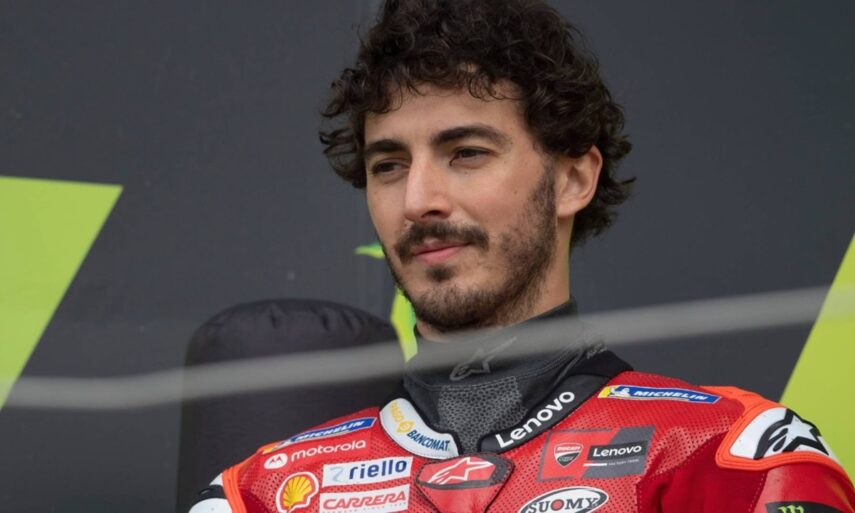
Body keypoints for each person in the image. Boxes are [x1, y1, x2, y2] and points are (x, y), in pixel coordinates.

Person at [189, 1, 855, 511]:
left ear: (573, 179)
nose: (418, 200)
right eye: (388, 165)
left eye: (466, 153)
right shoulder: (263, 493)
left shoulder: (727, 453)